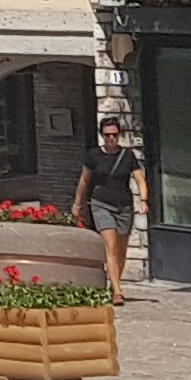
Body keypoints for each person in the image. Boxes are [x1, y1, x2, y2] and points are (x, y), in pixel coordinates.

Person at [72, 113, 146, 302]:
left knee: (121, 249)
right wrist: (77, 203)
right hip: (101, 204)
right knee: (110, 246)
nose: (111, 139)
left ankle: (114, 282)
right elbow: (84, 180)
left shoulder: (127, 156)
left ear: (119, 135)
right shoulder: (94, 155)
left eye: (114, 135)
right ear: (102, 136)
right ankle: (117, 292)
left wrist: (143, 200)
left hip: (124, 205)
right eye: (107, 135)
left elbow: (140, 180)